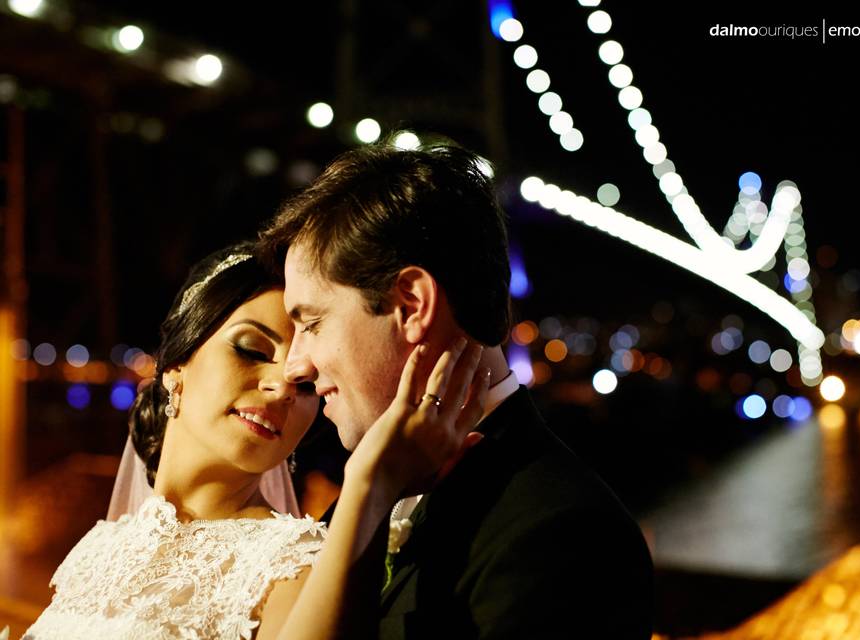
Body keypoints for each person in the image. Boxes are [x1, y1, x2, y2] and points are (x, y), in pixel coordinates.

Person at [259, 141, 655, 638]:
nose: (295, 366)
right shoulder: (354, 508)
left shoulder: (568, 536)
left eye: (312, 323)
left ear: (411, 304)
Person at [23, 241, 489, 639]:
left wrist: (369, 484)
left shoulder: (292, 567)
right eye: (252, 349)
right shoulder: (97, 549)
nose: (283, 387)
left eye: (305, 383)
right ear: (175, 366)